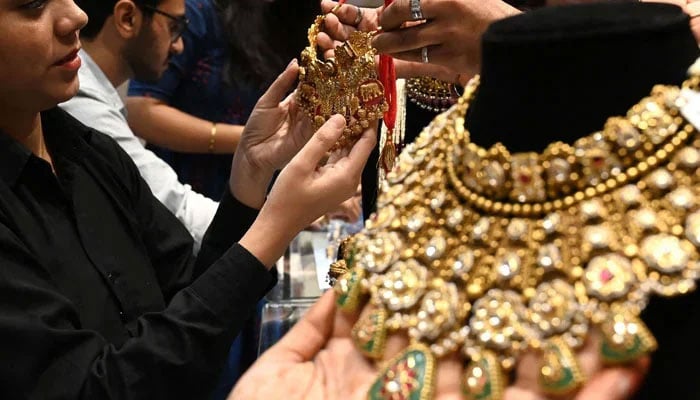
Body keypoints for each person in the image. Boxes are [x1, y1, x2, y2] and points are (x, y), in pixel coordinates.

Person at [0, 0, 375, 398]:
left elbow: (188, 290)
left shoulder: (91, 153)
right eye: (33, 5)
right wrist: (274, 226)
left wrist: (251, 173)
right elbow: (99, 388)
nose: (76, 17)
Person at [59, 0, 217, 253]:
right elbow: (176, 213)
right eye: (173, 26)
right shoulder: (78, 101)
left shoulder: (91, 94)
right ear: (127, 18)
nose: (179, 45)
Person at [125, 0, 320, 200]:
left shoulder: (298, 19)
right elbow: (141, 110)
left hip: (260, 197)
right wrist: (249, 140)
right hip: (182, 195)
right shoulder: (200, 14)